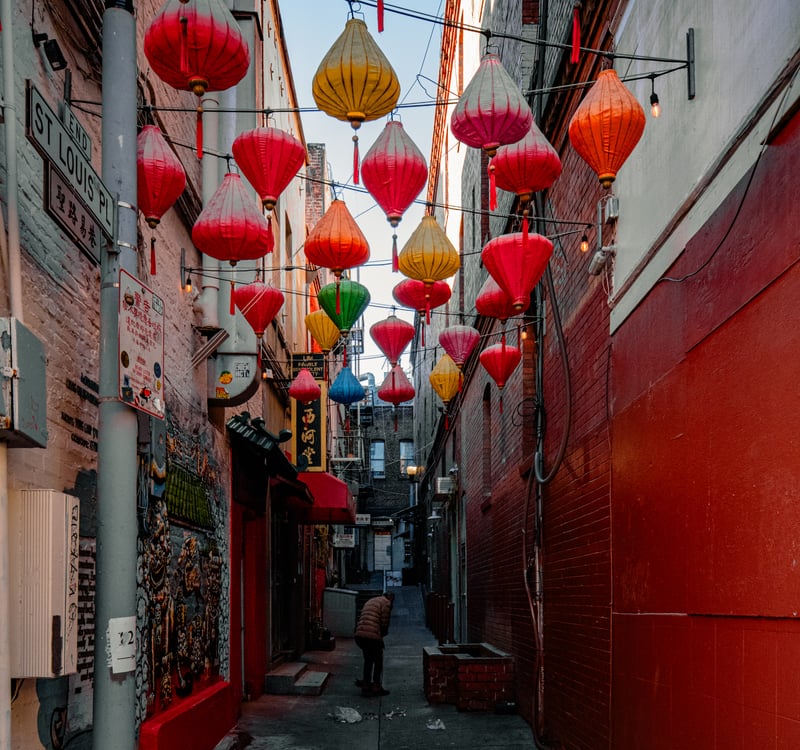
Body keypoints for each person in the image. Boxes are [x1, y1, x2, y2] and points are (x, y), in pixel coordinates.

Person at [354, 591, 395, 696]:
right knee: (378, 661)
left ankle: (366, 684)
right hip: (372, 635)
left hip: (360, 634)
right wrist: (382, 634)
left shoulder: (371, 601)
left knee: (368, 660)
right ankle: (376, 686)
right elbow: (384, 622)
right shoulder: (386, 603)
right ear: (390, 598)